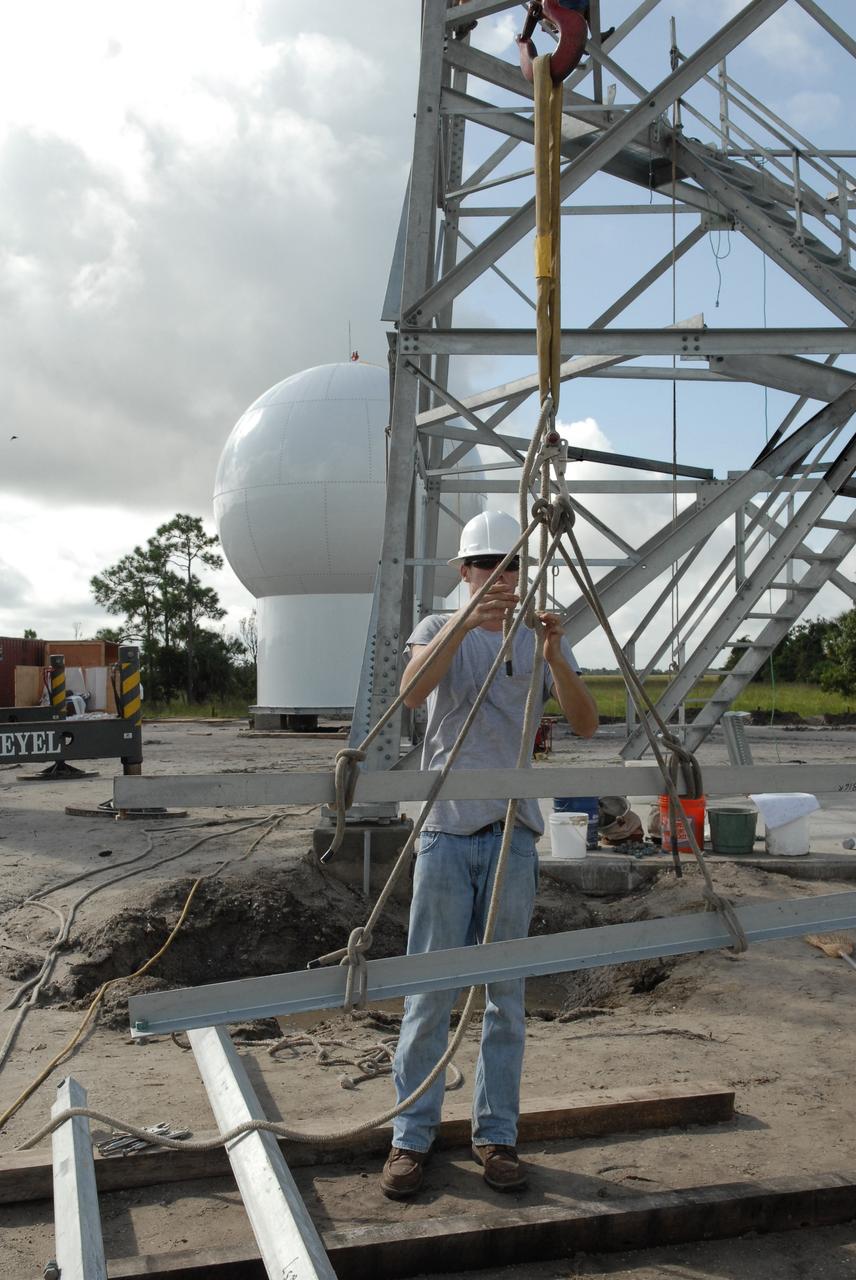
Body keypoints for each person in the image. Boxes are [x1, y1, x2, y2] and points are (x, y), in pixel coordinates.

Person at [381, 511, 598, 1200]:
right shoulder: (438, 629)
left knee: (505, 998)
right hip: (447, 834)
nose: (499, 578)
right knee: (429, 995)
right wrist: (467, 621)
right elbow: (413, 692)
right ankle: (410, 1138)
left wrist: (557, 652)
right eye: (485, 566)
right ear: (463, 571)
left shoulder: (536, 641)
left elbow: (587, 724)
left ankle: (496, 1135)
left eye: (509, 567)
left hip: (513, 836)